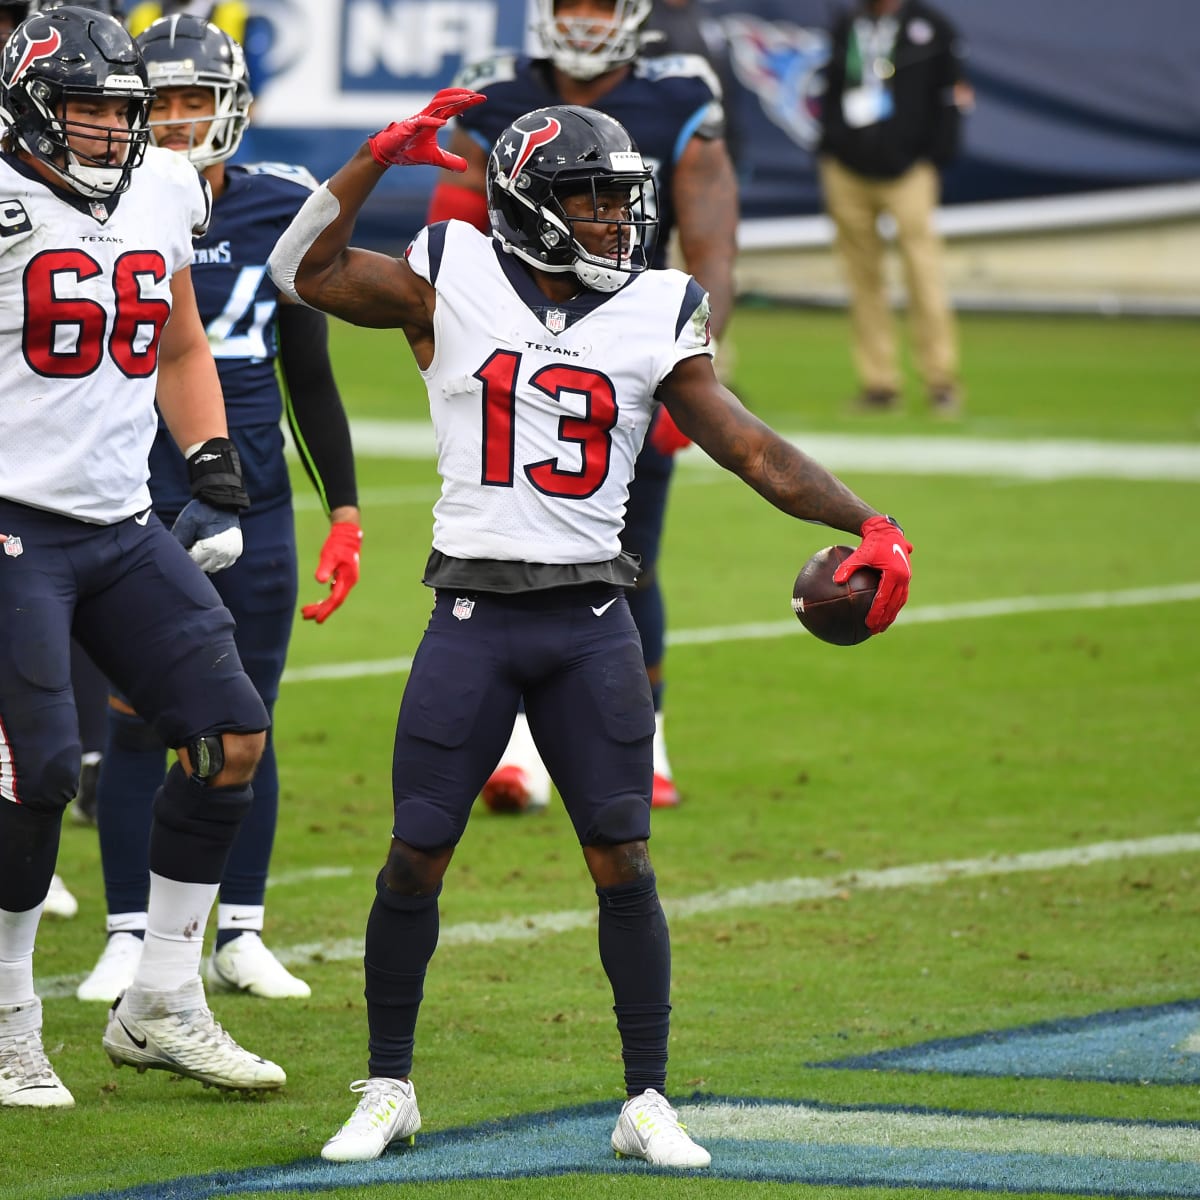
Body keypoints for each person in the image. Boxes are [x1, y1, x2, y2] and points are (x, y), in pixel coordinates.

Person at [267, 91, 913, 1167]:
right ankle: (388, 1085)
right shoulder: (452, 272)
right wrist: (371, 162)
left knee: (624, 862)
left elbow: (748, 446)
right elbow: (304, 270)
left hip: (591, 621)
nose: (617, 221)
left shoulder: (656, 306)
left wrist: (867, 520)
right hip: (470, 613)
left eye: (623, 200)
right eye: (593, 199)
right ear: (530, 202)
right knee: (414, 859)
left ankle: (646, 1097)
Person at [0, 4, 285, 1107]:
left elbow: (176, 337)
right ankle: (12, 1017)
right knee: (36, 772)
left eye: (123, 112)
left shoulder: (165, 186)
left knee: (231, 738)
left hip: (116, 521)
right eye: (86, 108)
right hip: (12, 518)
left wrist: (207, 447)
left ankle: (162, 996)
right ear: (28, 104)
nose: (113, 131)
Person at [73, 15, 361, 1005]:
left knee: (249, 716)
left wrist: (349, 508)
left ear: (235, 103)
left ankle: (240, 927)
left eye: (201, 98)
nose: (186, 120)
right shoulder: (104, 207)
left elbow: (311, 379)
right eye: (167, 102)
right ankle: (125, 928)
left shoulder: (281, 205)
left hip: (261, 501)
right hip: (136, 494)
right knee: (133, 719)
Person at [427, 0, 739, 811]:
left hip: (625, 358)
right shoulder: (491, 94)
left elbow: (711, 249)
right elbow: (451, 229)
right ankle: (522, 750)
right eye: (573, 2)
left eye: (603, 2)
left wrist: (688, 360)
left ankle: (650, 737)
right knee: (510, 557)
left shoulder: (676, 98)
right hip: (514, 355)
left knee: (629, 560)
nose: (587, 18)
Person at [817, 0, 972, 416]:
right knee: (862, 277)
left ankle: (941, 380)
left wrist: (933, 156)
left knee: (923, 271)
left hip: (909, 172)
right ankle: (879, 383)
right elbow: (830, 88)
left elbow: (951, 95)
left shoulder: (931, 26)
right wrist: (831, 144)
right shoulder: (848, 24)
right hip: (848, 169)